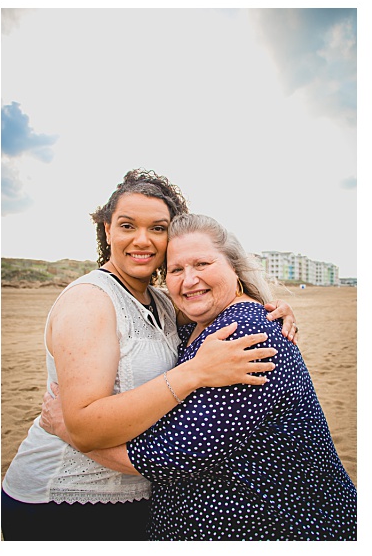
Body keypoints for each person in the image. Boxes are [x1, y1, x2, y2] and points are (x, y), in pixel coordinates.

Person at [0, 169, 296, 540]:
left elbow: (220, 301)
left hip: (135, 497)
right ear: (107, 230)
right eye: (127, 226)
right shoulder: (90, 300)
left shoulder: (164, 302)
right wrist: (194, 374)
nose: (143, 240)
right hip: (63, 503)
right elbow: (84, 427)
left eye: (157, 228)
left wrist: (270, 308)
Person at [43, 214, 356, 540]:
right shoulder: (194, 325)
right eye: (176, 270)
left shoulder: (245, 333)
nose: (189, 280)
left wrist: (68, 429)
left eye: (203, 264)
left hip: (280, 526)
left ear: (234, 267)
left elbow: (170, 456)